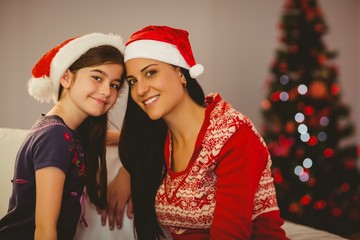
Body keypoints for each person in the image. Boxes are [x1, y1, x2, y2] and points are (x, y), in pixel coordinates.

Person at [116, 25, 289, 240]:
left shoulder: (232, 133)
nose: (140, 90)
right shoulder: (160, 136)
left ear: (180, 73)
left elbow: (230, 235)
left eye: (151, 73)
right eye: (133, 81)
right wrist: (125, 172)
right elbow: (133, 142)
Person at [0, 32, 126, 240]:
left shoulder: (66, 131)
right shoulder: (56, 136)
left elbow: (112, 138)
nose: (106, 91)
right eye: (97, 77)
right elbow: (44, 229)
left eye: (114, 85)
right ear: (66, 78)